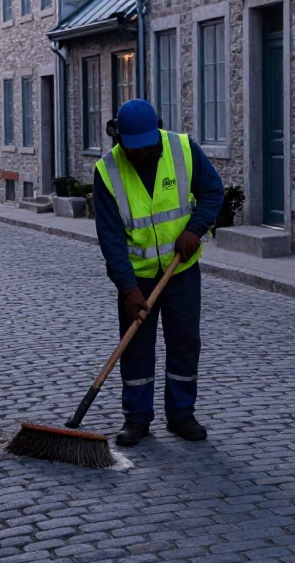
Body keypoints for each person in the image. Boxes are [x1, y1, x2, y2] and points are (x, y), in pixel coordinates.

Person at [93, 99, 224, 447]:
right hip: (138, 278)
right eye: (132, 149)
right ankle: (136, 419)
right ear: (118, 139)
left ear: (158, 133)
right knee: (135, 347)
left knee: (184, 342)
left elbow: (213, 191)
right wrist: (127, 288)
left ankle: (182, 415)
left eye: (147, 147)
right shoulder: (107, 171)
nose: (141, 154)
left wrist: (195, 229)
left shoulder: (182, 149)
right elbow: (111, 238)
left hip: (181, 271)